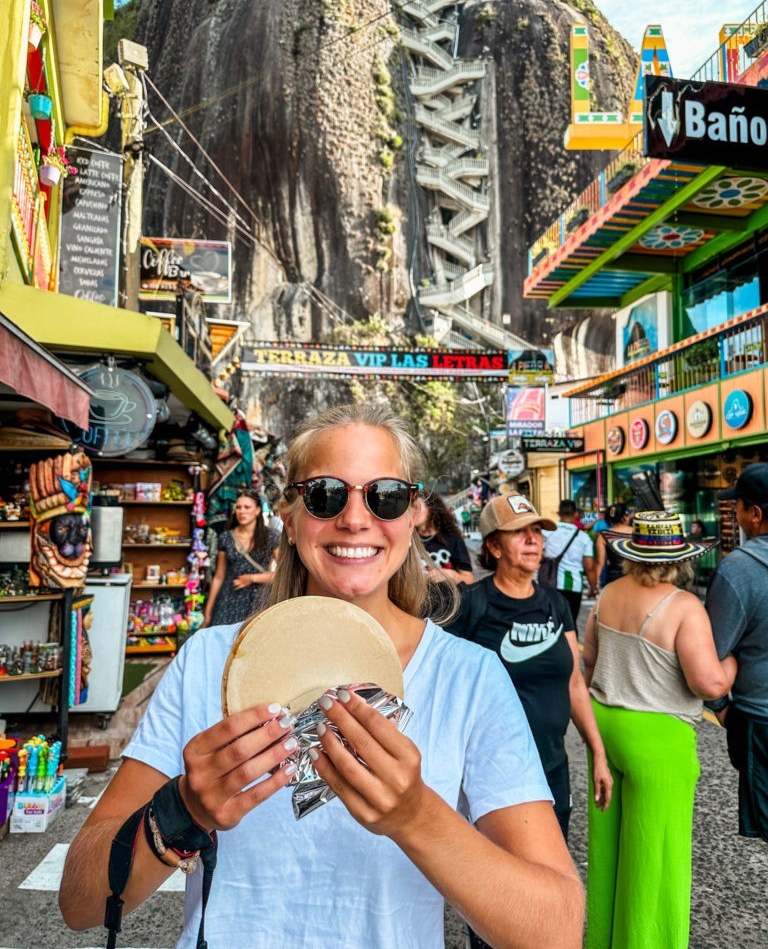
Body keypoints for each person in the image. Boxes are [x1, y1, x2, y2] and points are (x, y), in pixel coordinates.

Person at [59, 404, 584, 949]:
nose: (356, 519)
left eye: (385, 496)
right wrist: (183, 810)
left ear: (412, 516)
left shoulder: (469, 679)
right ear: (289, 517)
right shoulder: (208, 663)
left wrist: (416, 816)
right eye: (326, 495)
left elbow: (556, 930)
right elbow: (80, 901)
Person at [582, 511, 737, 949]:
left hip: (605, 730)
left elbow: (589, 660)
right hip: (658, 739)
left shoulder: (609, 593)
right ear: (681, 558)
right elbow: (707, 683)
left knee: (608, 859)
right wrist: (735, 663)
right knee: (654, 863)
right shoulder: (685, 606)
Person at [450, 492, 612, 841]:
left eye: (537, 531)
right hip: (493, 773)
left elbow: (574, 685)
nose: (532, 540)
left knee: (554, 873)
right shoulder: (471, 606)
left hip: (552, 766)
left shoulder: (555, 603)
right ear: (494, 547)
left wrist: (598, 753)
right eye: (519, 532)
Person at [705, 463, 768, 842]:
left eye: (739, 507)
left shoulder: (739, 571)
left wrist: (720, 706)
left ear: (755, 514)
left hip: (759, 719)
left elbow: (711, 650)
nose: (737, 515)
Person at [202, 488, 279, 627]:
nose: (241, 511)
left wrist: (251, 578)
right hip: (227, 602)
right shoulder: (226, 537)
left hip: (257, 603)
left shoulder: (271, 537)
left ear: (257, 510)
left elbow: (283, 574)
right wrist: (208, 613)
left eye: (247, 507)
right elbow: (219, 577)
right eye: (238, 507)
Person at [542, 498, 597, 626]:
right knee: (570, 624)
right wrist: (593, 589)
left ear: (558, 513)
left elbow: (538, 556)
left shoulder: (547, 532)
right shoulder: (583, 537)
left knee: (551, 623)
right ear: (575, 514)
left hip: (550, 583)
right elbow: (589, 567)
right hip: (573, 586)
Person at [413, 490, 474, 585]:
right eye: (409, 508)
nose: (413, 512)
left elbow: (469, 580)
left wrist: (450, 575)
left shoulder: (453, 538)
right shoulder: (408, 540)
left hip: (448, 596)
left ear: (432, 508)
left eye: (416, 507)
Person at [594, 503, 633, 588]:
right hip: (633, 575)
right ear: (624, 517)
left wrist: (594, 586)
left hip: (612, 577)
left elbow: (600, 562)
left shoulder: (604, 536)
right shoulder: (636, 533)